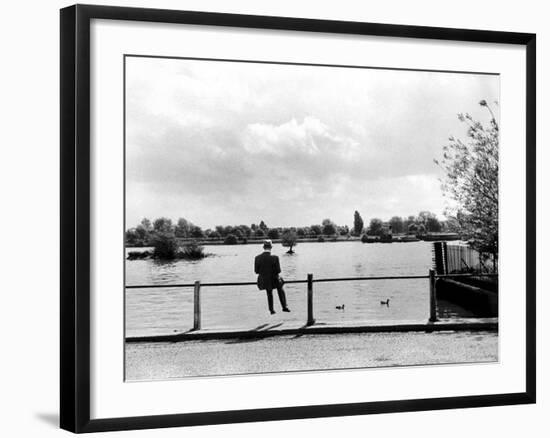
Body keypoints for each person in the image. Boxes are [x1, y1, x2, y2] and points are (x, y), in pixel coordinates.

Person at [254, 239, 290, 314]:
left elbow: (256, 271)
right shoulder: (275, 257)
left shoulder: (257, 258)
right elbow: (278, 271)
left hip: (263, 281)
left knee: (269, 292)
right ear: (271, 247)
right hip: (274, 280)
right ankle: (284, 306)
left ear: (263, 247)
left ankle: (271, 309)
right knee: (280, 287)